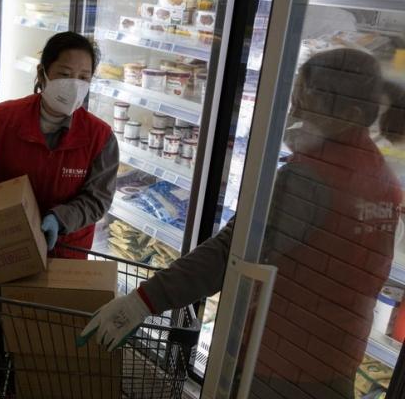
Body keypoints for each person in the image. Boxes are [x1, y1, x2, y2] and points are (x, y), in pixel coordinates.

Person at [81, 48, 404, 398]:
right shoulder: (381, 175)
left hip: (280, 364)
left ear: (349, 114)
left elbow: (229, 250)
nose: (293, 113)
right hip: (337, 357)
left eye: (304, 104)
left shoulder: (308, 178)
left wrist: (140, 302)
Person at [0, 32, 119, 259]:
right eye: (65, 75)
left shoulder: (101, 138)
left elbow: (97, 199)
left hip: (65, 254)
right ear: (42, 73)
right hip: (2, 246)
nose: (74, 85)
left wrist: (61, 219)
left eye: (83, 78)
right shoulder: (1, 119)